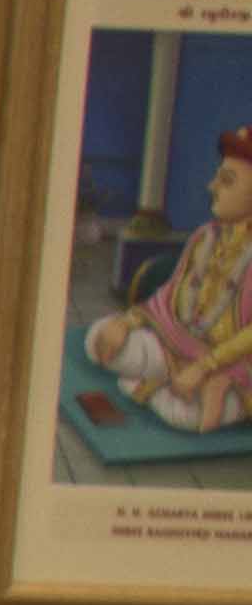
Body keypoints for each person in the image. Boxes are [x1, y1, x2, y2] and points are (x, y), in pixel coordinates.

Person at [84, 122, 252, 437]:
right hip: (178, 343)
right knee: (98, 338)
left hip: (236, 366)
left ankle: (179, 386)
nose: (212, 186)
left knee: (184, 414)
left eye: (227, 181)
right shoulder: (205, 236)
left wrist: (205, 367)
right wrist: (127, 322)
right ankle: (164, 381)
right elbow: (169, 296)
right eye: (217, 176)